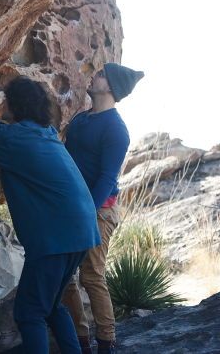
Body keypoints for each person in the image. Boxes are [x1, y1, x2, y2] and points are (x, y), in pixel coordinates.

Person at [0, 77, 100, 354]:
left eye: (6, 99)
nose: (2, 104)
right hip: (82, 233)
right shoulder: (42, 131)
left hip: (56, 240)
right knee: (50, 306)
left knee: (29, 313)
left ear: (15, 103)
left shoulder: (14, 140)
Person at [61, 63, 144, 354]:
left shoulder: (116, 130)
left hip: (99, 211)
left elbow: (107, 179)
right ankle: (80, 340)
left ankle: (106, 343)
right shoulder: (81, 120)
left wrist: (86, 211)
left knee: (92, 275)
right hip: (71, 208)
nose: (93, 76)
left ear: (109, 87)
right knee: (64, 276)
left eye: (99, 74)